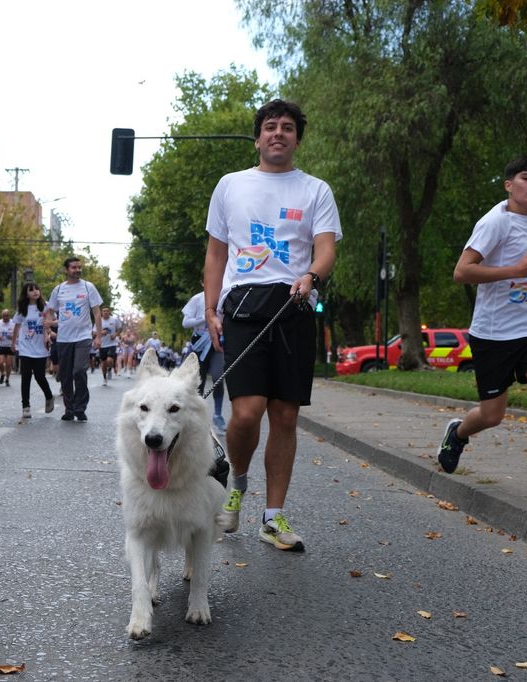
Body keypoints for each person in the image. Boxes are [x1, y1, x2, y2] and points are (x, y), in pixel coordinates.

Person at [204, 99, 341, 551]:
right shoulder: (230, 186)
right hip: (243, 304)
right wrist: (210, 309)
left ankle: (274, 517)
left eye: (286, 128)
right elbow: (216, 253)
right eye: (269, 127)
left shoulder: (316, 190)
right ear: (258, 136)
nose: (277, 133)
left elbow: (325, 249)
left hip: (294, 302)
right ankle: (236, 483)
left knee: (285, 415)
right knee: (246, 412)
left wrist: (312, 277)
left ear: (297, 139)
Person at [437, 155, 527, 511]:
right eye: (526, 178)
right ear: (508, 184)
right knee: (493, 414)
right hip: (494, 334)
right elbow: (462, 272)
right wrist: (515, 269)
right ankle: (459, 433)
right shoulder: (494, 222)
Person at [45, 256, 102, 421]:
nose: (77, 270)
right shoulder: (59, 290)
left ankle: (80, 407)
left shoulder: (88, 287)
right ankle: (69, 409)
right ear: (66, 270)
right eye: (74, 267)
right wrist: (49, 329)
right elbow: (50, 310)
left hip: (83, 337)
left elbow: (96, 312)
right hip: (63, 338)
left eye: (79, 267)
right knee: (65, 374)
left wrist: (98, 336)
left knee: (79, 371)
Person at [182, 288, 227, 433]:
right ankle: (197, 419)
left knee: (218, 377)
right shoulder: (197, 299)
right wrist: (205, 317)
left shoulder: (225, 296)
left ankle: (218, 416)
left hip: (217, 342)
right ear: (203, 282)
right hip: (200, 344)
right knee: (198, 381)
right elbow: (186, 323)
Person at [12, 282, 55, 419]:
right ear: (26, 293)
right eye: (31, 290)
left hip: (40, 347)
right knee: (26, 376)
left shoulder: (46, 306)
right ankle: (26, 406)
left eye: (37, 289)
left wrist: (47, 335)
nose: (35, 292)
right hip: (25, 347)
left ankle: (49, 396)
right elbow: (17, 327)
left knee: (39, 376)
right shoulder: (22, 309)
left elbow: (48, 324)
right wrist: (13, 342)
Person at [98, 307, 121, 386]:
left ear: (109, 312)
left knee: (110, 360)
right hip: (102, 345)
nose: (105, 312)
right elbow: (94, 332)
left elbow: (120, 328)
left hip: (112, 344)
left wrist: (115, 334)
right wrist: (101, 332)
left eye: (107, 311)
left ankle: (110, 369)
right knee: (104, 363)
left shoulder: (114, 320)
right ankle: (105, 378)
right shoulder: (99, 321)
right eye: (104, 311)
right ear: (101, 312)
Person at [0, 308, 15, 385]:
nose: (5, 317)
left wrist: (13, 337)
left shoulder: (13, 323)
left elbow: (18, 333)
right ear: (2, 316)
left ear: (9, 316)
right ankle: (2, 373)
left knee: (9, 364)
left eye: (7, 316)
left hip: (10, 345)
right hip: (1, 345)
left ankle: (7, 379)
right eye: (4, 316)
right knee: (0, 363)